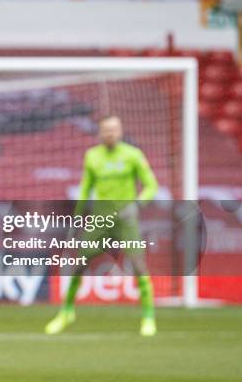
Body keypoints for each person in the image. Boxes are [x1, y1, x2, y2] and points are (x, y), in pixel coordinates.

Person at [44, 115, 159, 337]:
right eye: (106, 130)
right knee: (78, 263)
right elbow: (86, 189)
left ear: (121, 131)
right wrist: (77, 218)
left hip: (126, 220)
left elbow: (151, 185)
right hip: (100, 219)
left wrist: (138, 204)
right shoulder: (92, 156)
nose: (111, 133)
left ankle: (148, 317)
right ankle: (66, 312)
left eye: (114, 129)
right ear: (100, 133)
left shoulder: (133, 155)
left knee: (139, 266)